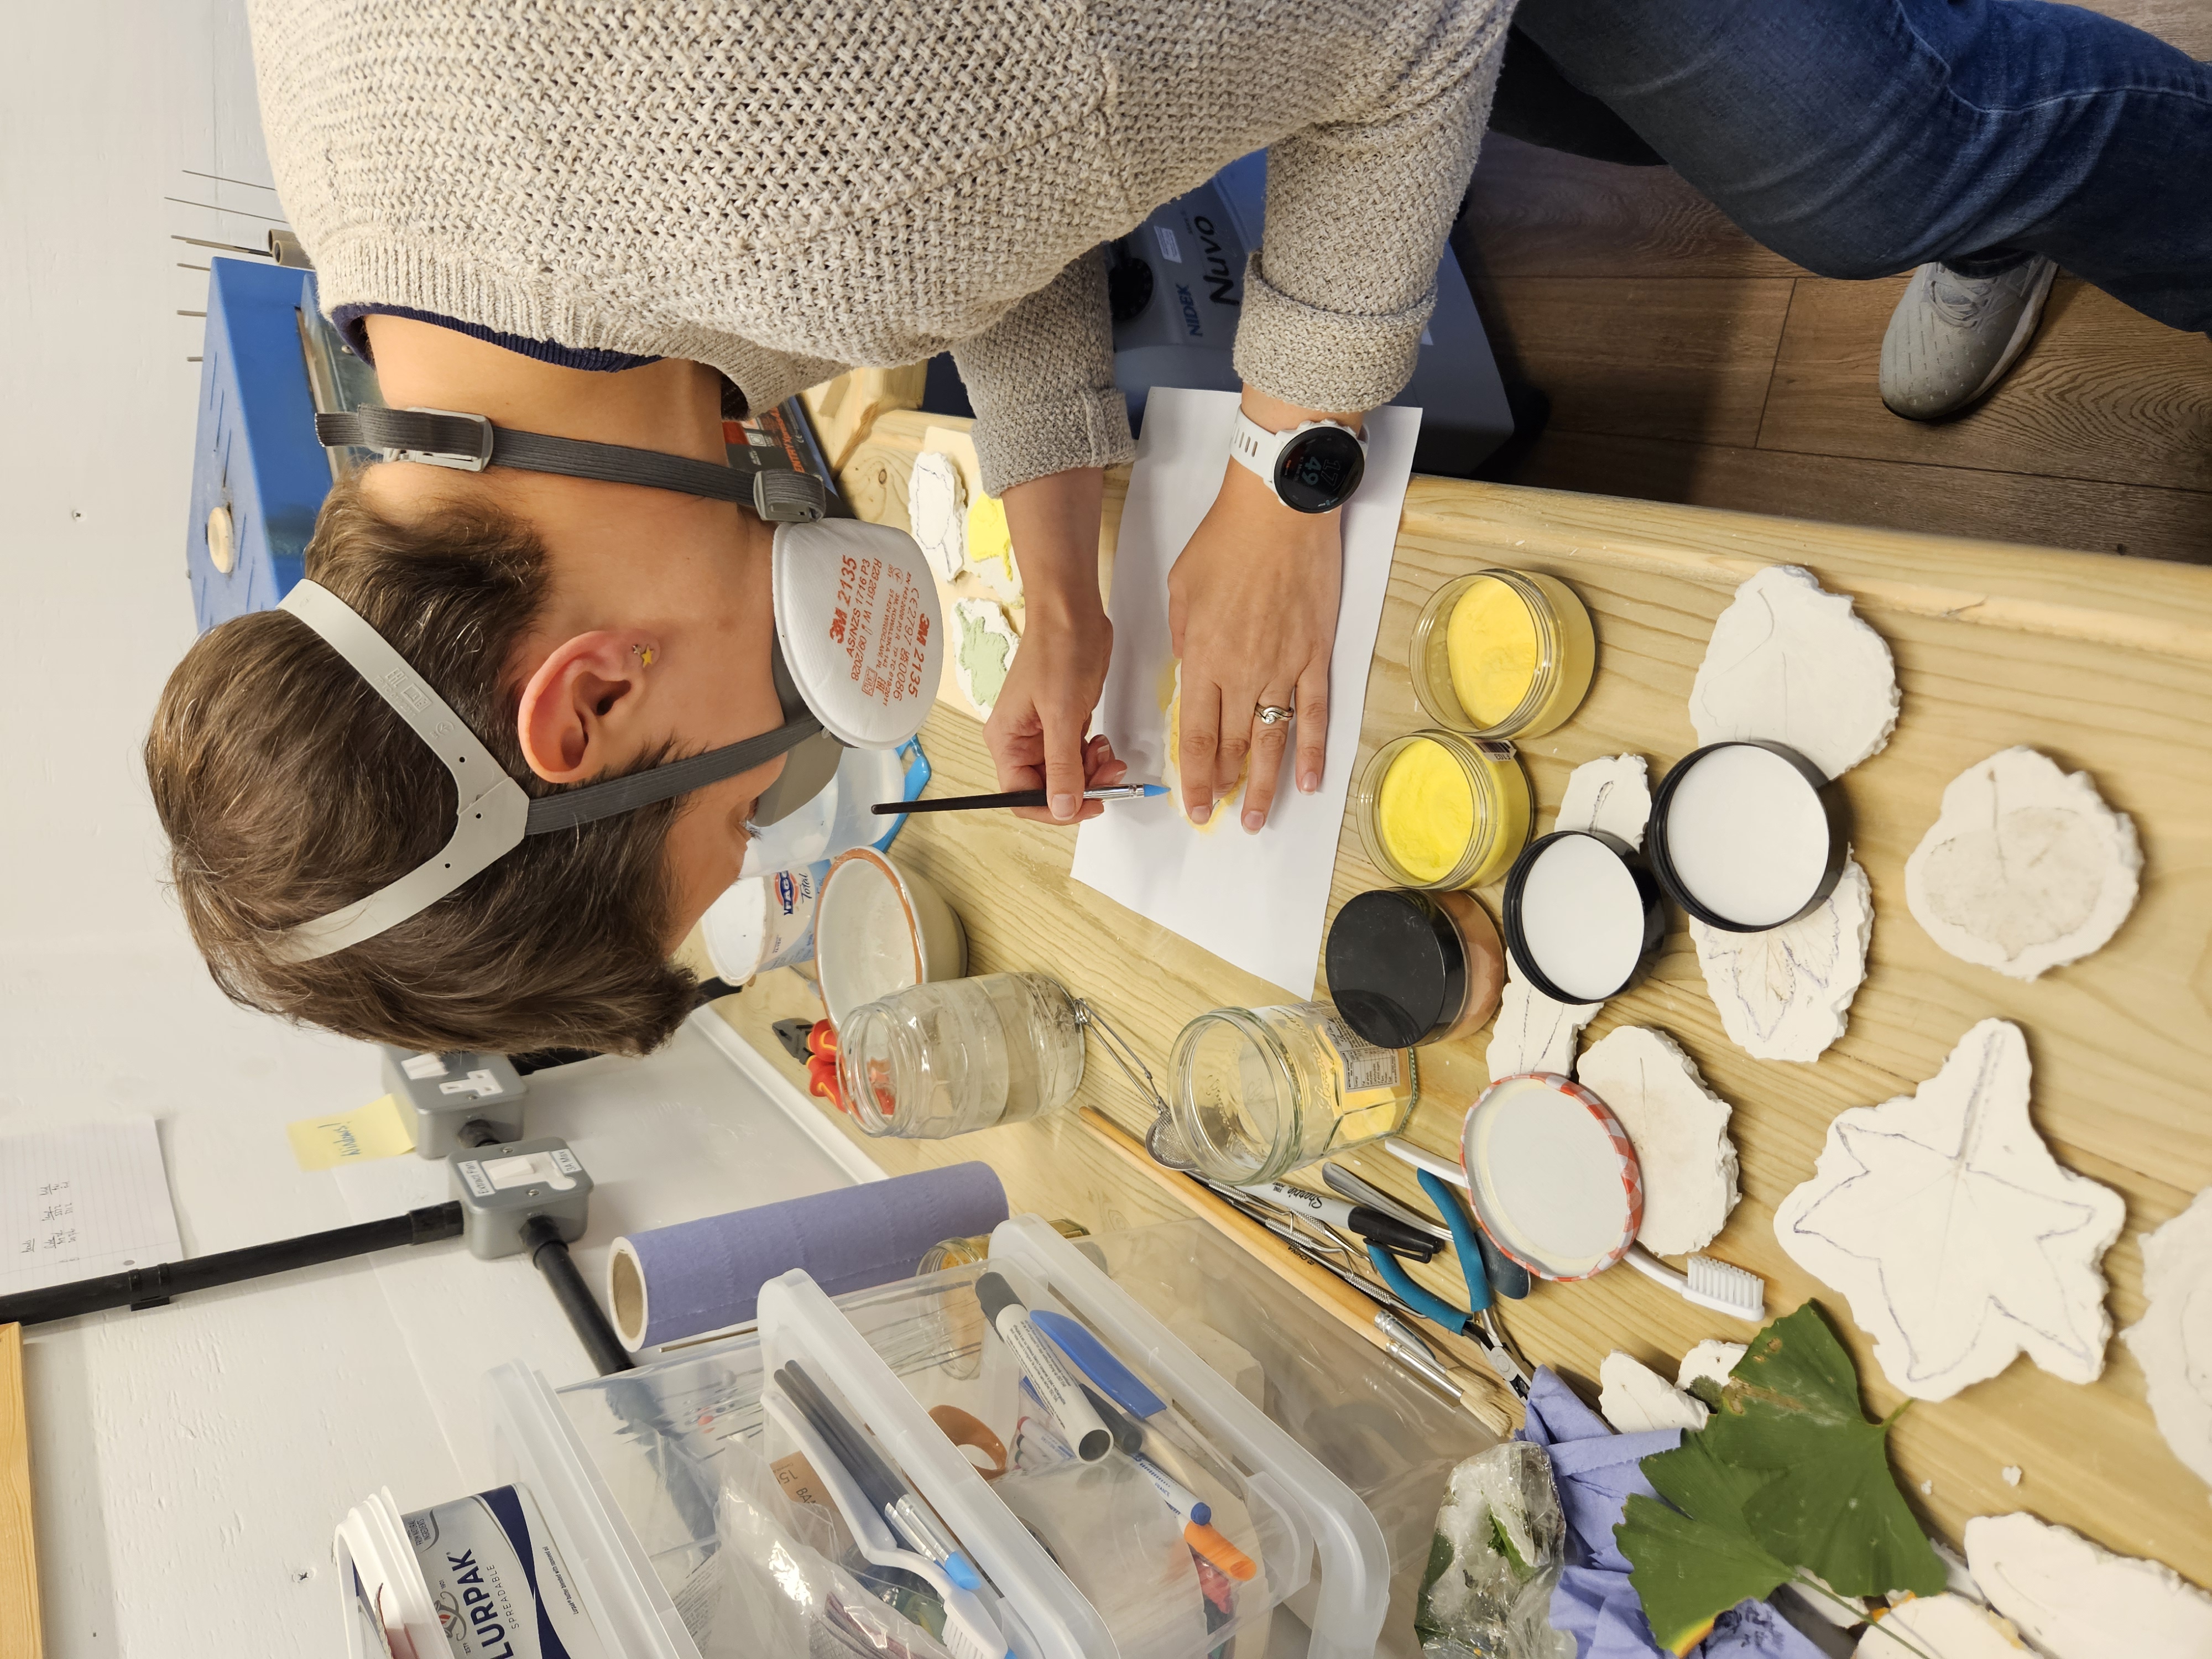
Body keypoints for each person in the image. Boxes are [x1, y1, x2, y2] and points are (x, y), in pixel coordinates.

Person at [151, 0, 2207, 1060]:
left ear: (584, 697)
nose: (798, 744)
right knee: (1588, 88)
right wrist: (1059, 507)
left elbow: (1392, 33)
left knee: (1857, 149)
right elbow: (978, 111)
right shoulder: (375, 219)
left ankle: (1997, 167)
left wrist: (1294, 472)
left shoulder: (780, 205)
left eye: (741, 794)